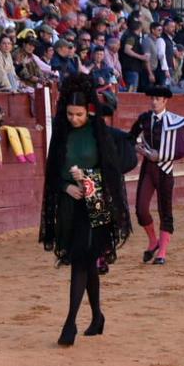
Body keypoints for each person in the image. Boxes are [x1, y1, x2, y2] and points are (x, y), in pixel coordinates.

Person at [39, 75, 131, 346]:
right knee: (86, 260)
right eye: (70, 114)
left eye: (79, 114)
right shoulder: (62, 132)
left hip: (97, 201)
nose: (74, 119)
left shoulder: (99, 131)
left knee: (81, 260)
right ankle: (97, 316)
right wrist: (67, 187)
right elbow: (53, 171)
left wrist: (88, 177)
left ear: (88, 111)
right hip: (71, 204)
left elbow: (114, 170)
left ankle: (70, 323)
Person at [128, 87, 184, 266]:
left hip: (165, 169)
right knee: (141, 209)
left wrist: (160, 156)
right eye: (152, 98)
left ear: (165, 101)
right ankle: (153, 241)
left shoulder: (175, 122)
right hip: (148, 168)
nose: (154, 102)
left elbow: (180, 151)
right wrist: (136, 148)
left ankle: (162, 252)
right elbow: (131, 138)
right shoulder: (144, 119)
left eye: (158, 99)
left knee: (165, 210)